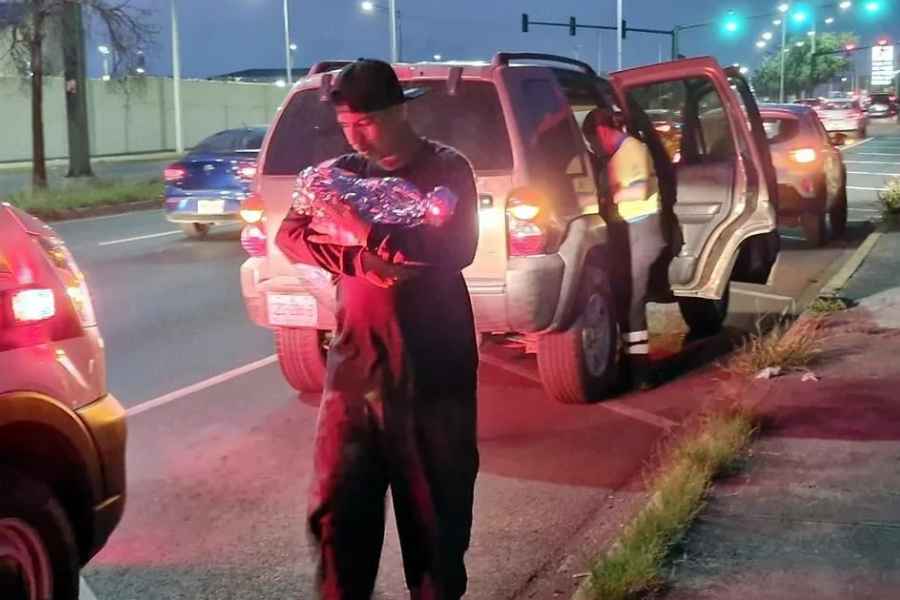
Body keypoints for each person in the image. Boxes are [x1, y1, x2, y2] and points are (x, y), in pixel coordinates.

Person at [276, 59, 480, 600]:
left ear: (398, 112)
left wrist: (359, 226)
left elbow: (455, 247)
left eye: (365, 122)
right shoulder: (338, 174)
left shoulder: (446, 169)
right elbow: (290, 235)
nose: (355, 136)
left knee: (436, 523)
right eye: (346, 124)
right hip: (355, 367)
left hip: (430, 373)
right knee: (338, 516)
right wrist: (359, 262)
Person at [582, 107, 669, 390]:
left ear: (602, 131)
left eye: (592, 140)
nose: (594, 147)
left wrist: (610, 196)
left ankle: (640, 374)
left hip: (642, 230)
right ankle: (631, 366)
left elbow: (640, 190)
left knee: (633, 300)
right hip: (628, 231)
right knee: (624, 298)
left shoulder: (633, 150)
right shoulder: (616, 155)